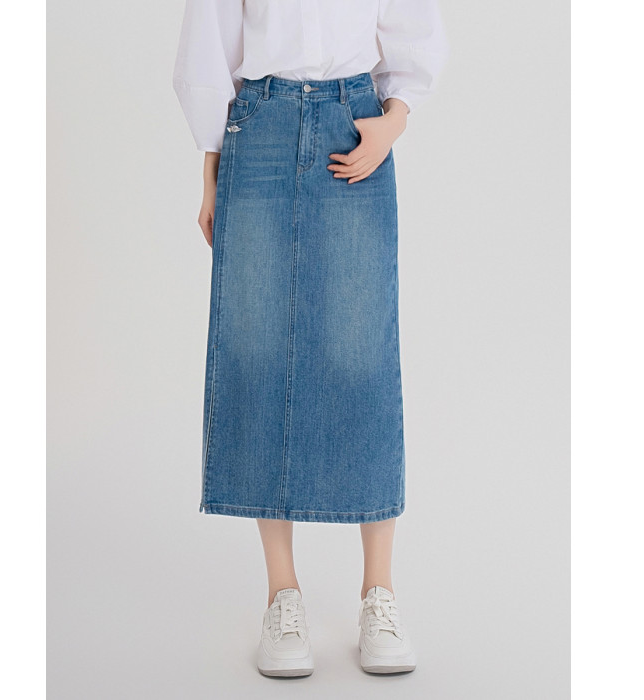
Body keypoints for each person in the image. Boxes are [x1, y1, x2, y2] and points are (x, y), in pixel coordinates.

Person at [172, 0, 448, 677]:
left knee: (363, 351)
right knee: (258, 346)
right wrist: (209, 168)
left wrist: (393, 124)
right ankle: (282, 594)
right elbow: (209, 41)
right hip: (258, 128)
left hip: (353, 128)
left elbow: (413, 30)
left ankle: (378, 593)